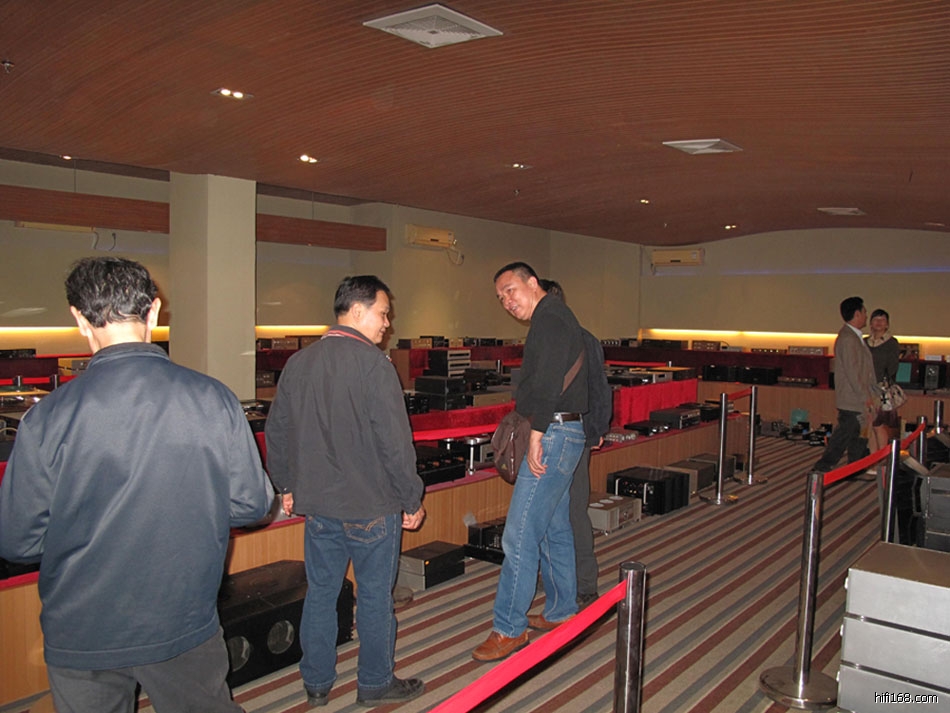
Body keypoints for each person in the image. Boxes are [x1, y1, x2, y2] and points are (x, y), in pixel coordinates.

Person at [0, 256, 275, 713]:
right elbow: (252, 506)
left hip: (82, 628)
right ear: (154, 311)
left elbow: (18, 541)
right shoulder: (213, 399)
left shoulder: (45, 418)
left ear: (79, 319)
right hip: (182, 618)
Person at [265, 275, 426, 708]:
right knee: (374, 598)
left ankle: (316, 683)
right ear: (357, 311)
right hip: (372, 506)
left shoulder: (299, 363)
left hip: (319, 506)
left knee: (321, 593)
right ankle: (374, 683)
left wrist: (286, 485)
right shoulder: (374, 366)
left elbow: (277, 432)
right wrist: (411, 498)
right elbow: (395, 443)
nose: (387, 323)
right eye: (383, 313)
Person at [472, 263, 588, 662]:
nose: (507, 301)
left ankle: (509, 628)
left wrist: (537, 433)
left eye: (511, 290)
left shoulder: (550, 317)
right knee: (554, 526)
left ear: (533, 283)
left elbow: (551, 380)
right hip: (563, 431)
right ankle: (561, 609)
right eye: (500, 297)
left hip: (552, 433)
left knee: (519, 534)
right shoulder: (556, 316)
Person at [539, 279, 612, 608]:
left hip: (572, 433)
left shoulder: (581, 338)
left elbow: (599, 388)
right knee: (551, 511)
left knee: (572, 511)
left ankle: (584, 584)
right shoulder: (555, 337)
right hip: (549, 434)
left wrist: (595, 431)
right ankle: (559, 577)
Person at [813, 296, 879, 473]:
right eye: (864, 312)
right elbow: (853, 372)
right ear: (857, 314)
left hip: (858, 396)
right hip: (852, 398)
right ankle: (823, 467)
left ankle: (856, 466)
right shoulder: (848, 338)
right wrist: (865, 397)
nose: (866, 316)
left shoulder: (855, 337)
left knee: (859, 433)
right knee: (845, 433)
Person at [865, 308, 901, 452]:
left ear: (887, 324)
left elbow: (893, 367)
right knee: (870, 425)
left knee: (878, 424)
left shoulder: (891, 342)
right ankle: (873, 458)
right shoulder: (864, 342)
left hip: (881, 389)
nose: (879, 322)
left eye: (882, 320)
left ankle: (882, 457)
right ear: (870, 323)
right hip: (865, 387)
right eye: (876, 319)